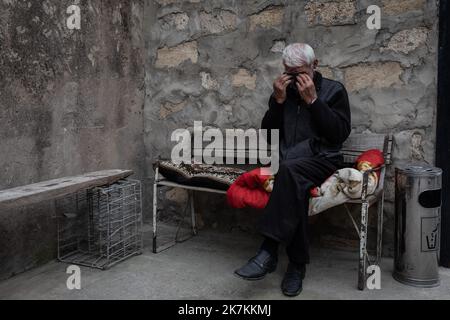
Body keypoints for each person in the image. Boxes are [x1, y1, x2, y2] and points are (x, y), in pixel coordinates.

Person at [234, 43, 352, 297]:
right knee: (292, 179)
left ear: (315, 65)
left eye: (300, 72)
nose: (294, 78)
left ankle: (268, 250)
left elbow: (338, 135)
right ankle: (296, 266)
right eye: (289, 72)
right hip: (290, 165)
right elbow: (269, 136)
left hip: (323, 159)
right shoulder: (283, 92)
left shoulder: (334, 91)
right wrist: (277, 102)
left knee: (288, 172)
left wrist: (314, 101)